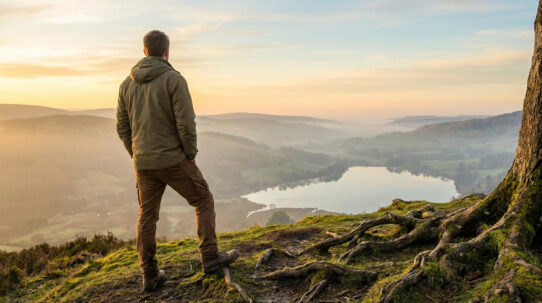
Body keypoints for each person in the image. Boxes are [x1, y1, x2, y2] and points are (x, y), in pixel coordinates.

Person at [116, 30, 239, 292]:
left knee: (146, 217)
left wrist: (137, 154)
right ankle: (210, 257)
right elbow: (186, 123)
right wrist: (189, 153)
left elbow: (122, 128)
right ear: (167, 51)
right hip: (173, 158)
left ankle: (149, 275)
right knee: (203, 199)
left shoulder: (126, 85)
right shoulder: (174, 79)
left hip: (144, 163)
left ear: (144, 51)